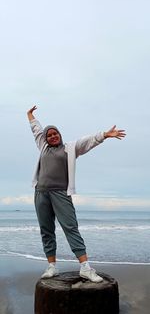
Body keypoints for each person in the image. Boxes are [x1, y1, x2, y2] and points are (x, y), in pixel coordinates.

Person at [27, 105, 126, 282]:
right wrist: (30, 116)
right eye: (49, 135)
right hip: (41, 193)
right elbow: (36, 131)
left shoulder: (70, 148)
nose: (52, 136)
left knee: (70, 227)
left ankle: (85, 267)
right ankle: (51, 267)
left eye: (55, 133)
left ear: (60, 134)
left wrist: (104, 135)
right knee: (46, 230)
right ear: (46, 139)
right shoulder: (43, 147)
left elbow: (87, 141)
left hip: (60, 194)